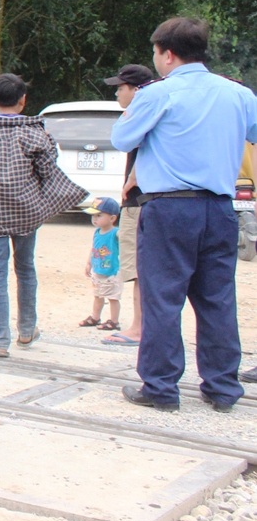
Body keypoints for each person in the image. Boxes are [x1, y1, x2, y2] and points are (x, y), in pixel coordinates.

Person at [110, 17, 257, 413]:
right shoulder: (238, 94)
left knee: (163, 297)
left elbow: (122, 138)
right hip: (220, 208)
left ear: (167, 54)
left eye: (156, 53)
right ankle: (223, 387)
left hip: (170, 208)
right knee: (217, 299)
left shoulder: (158, 94)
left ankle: (160, 387)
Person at [0, 72, 86, 358]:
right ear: (23, 100)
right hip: (26, 212)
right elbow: (48, 173)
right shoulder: (35, 132)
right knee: (26, 269)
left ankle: (0, 341)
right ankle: (27, 329)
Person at [100, 64, 155, 348]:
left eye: (121, 88)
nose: (118, 93)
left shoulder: (140, 115)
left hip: (139, 202)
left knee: (137, 268)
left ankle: (138, 328)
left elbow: (123, 143)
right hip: (151, 200)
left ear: (137, 90)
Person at [81, 197, 122, 331]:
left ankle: (114, 321)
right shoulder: (97, 232)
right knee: (97, 295)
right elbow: (94, 248)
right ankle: (95, 317)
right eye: (93, 216)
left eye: (99, 215)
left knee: (113, 297)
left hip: (112, 272)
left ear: (112, 218)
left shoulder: (116, 233)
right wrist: (89, 263)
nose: (95, 219)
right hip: (98, 270)